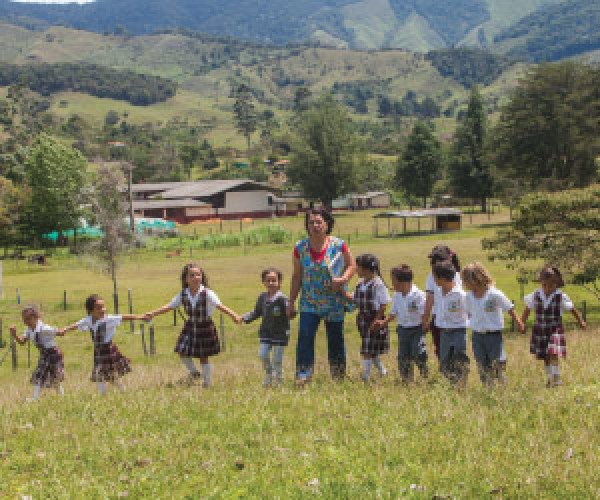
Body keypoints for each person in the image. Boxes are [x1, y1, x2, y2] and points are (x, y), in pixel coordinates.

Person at [143, 263, 241, 387]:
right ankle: (194, 372)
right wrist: (152, 313)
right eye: (192, 275)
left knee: (203, 356)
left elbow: (220, 306)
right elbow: (169, 306)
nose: (196, 277)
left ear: (202, 276)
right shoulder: (183, 294)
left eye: (198, 275)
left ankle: (207, 383)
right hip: (190, 326)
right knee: (182, 351)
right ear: (186, 279)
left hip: (205, 326)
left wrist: (234, 315)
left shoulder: (208, 293)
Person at [288, 208, 356, 385]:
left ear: (327, 224)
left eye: (319, 222)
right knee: (305, 335)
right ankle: (303, 374)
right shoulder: (300, 248)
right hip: (309, 301)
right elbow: (296, 276)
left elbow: (351, 265)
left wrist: (343, 279)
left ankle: (338, 375)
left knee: (335, 338)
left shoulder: (339, 245)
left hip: (334, 300)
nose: (315, 226)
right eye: (311, 222)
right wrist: (291, 302)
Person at [59, 295, 143, 395]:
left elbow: (123, 317)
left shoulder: (108, 319)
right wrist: (65, 329)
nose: (103, 310)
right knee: (106, 375)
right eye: (99, 307)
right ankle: (122, 392)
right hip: (98, 351)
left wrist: (140, 317)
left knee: (102, 374)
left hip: (108, 350)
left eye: (103, 306)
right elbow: (77, 325)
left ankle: (104, 394)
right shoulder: (89, 320)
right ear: (91, 310)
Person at [461, 262, 524, 386]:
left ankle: (502, 385)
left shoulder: (494, 294)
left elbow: (509, 308)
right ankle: (488, 387)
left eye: (465, 280)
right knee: (481, 362)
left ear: (475, 279)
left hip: (493, 335)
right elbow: (469, 313)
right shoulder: (468, 297)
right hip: (477, 336)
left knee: (497, 362)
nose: (464, 284)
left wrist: (519, 322)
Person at [522, 266, 586, 387]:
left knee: (553, 352)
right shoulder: (535, 295)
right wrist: (522, 323)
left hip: (554, 329)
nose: (547, 288)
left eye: (550, 285)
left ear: (556, 283)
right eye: (544, 285)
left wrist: (580, 321)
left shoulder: (560, 296)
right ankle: (550, 378)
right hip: (540, 329)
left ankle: (556, 379)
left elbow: (572, 309)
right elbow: (527, 310)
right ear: (541, 283)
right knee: (546, 356)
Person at [375, 264, 427, 383]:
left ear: (402, 282)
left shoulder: (418, 295)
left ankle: (424, 374)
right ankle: (406, 380)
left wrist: (425, 325)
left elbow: (424, 313)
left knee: (418, 352)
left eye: (393, 280)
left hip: (417, 329)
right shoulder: (397, 295)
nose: (392, 284)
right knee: (403, 357)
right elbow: (393, 313)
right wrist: (383, 322)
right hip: (403, 330)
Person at [242, 268, 290, 387]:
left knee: (277, 359)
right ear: (263, 282)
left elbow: (291, 311)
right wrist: (244, 317)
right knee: (262, 354)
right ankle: (268, 374)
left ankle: (278, 381)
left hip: (280, 332)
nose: (271, 283)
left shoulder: (282, 298)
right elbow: (257, 312)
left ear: (279, 282)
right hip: (266, 332)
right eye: (268, 280)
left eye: (274, 280)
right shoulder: (262, 297)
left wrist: (292, 311)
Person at [346, 254, 390, 382]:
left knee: (366, 350)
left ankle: (365, 376)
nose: (356, 270)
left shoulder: (378, 285)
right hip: (362, 321)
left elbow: (383, 304)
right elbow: (354, 298)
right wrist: (341, 291)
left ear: (365, 269)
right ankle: (382, 371)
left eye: (358, 267)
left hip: (374, 321)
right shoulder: (360, 284)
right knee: (371, 350)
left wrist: (377, 320)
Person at [426, 260, 469, 386]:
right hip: (444, 331)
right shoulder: (439, 292)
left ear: (442, 278)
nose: (433, 280)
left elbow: (470, 311)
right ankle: (449, 383)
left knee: (459, 356)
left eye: (435, 277)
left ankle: (461, 382)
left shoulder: (460, 295)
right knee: (444, 358)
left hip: (458, 331)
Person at [10, 304, 65, 401]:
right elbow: (22, 342)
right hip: (44, 354)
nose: (25, 321)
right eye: (24, 319)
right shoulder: (28, 329)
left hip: (53, 354)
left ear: (35, 317)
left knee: (55, 376)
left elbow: (59, 332)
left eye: (27, 319)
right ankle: (36, 398)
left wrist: (63, 330)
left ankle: (59, 397)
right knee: (39, 374)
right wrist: (14, 335)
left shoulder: (44, 328)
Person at [422, 245, 462, 361]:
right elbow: (430, 298)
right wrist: (425, 319)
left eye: (438, 260)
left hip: (454, 320)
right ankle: (445, 371)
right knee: (440, 349)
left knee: (455, 350)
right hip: (438, 319)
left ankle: (455, 372)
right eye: (433, 261)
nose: (435, 264)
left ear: (448, 259)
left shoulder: (455, 275)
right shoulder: (431, 276)